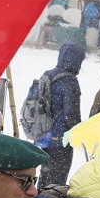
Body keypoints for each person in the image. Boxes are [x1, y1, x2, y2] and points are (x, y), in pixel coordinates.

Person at [33, 42, 86, 187]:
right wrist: (80, 133)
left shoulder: (48, 75)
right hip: (61, 140)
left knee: (45, 174)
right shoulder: (70, 81)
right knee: (56, 180)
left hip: (44, 135)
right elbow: (71, 115)